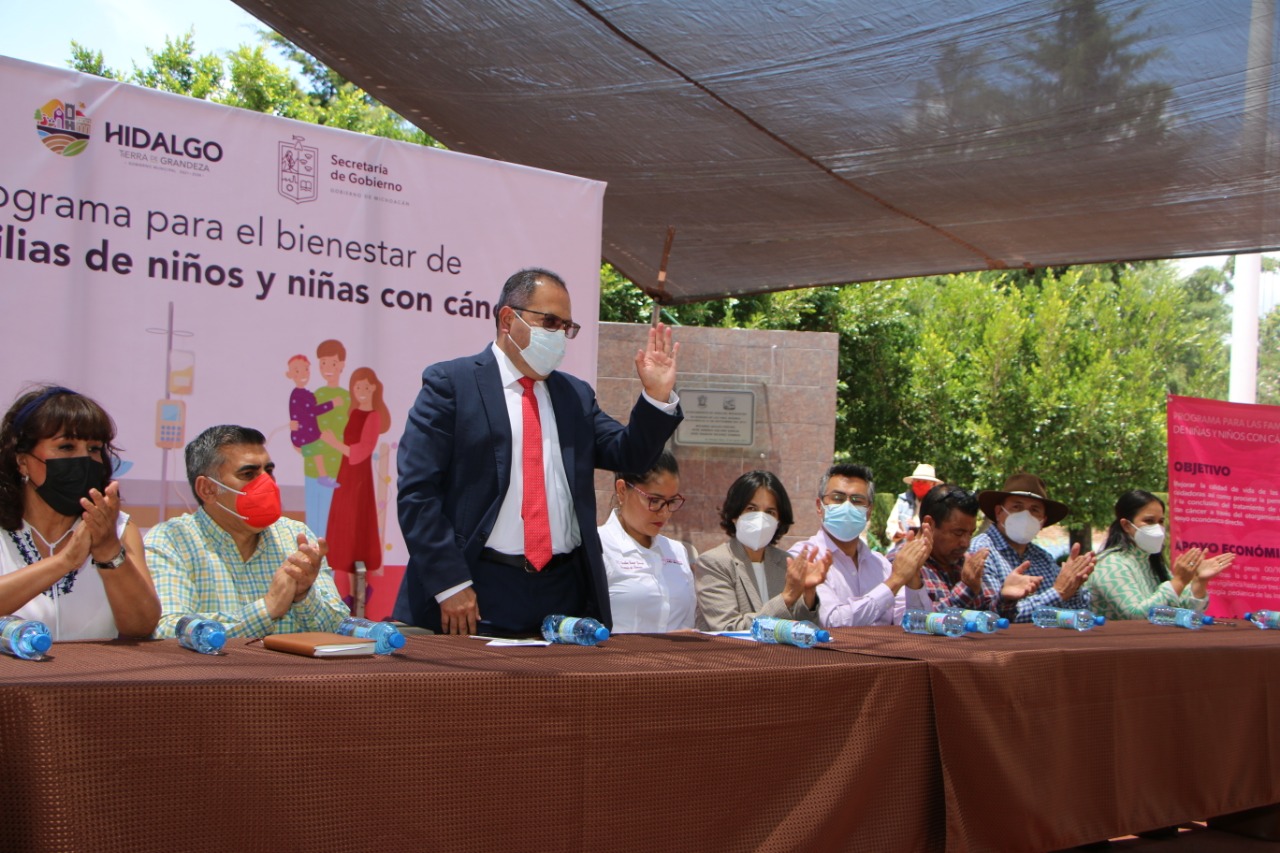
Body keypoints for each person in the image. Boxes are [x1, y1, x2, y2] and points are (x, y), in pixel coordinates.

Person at [393, 267, 682, 635]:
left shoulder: (574, 396)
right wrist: (451, 583)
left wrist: (656, 397)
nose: (559, 335)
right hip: (475, 589)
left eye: (566, 327)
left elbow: (630, 456)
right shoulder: (451, 384)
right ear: (507, 319)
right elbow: (418, 493)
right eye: (549, 321)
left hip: (563, 594)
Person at [145, 424, 348, 639]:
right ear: (208, 489)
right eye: (249, 474)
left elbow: (340, 628)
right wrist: (266, 610)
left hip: (291, 673)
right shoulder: (172, 540)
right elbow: (167, 630)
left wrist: (304, 595)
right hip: (214, 673)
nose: (267, 483)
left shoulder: (296, 535)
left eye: (269, 471)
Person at [0, 386, 160, 639]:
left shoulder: (120, 529)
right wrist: (64, 562)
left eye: (94, 449)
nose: (83, 459)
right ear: (22, 461)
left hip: (95, 677)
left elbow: (141, 627)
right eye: (66, 447)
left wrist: (109, 551)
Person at [792, 463, 931, 626]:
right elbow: (832, 622)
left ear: (869, 511)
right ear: (819, 506)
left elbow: (916, 624)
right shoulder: (803, 558)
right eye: (838, 498)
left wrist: (912, 575)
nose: (847, 506)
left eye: (857, 501)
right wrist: (894, 582)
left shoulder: (881, 565)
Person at [695, 470, 832, 631]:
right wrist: (786, 597)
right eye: (751, 509)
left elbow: (805, 629)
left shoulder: (785, 562)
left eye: (770, 512)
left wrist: (808, 594)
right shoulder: (714, 562)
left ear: (779, 521)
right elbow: (729, 628)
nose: (760, 518)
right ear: (735, 514)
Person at [1085, 489, 1234, 620]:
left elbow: (1183, 613)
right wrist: (1179, 581)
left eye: (1160, 521)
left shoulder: (1150, 560)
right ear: (1126, 525)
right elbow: (1136, 616)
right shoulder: (1111, 564)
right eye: (1149, 521)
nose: (1157, 528)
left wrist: (1199, 582)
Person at [971, 473, 1096, 623]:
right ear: (999, 512)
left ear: (1042, 521)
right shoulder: (981, 551)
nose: (1026, 515)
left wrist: (1073, 587)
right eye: (1017, 507)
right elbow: (993, 617)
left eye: (1035, 510)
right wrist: (1058, 593)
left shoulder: (1043, 558)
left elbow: (1079, 613)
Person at [597, 451, 694, 633]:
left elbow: (687, 624)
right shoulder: (597, 548)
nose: (664, 513)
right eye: (654, 500)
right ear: (622, 490)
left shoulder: (677, 551)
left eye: (671, 501)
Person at [911, 483, 1041, 612]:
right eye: (958, 533)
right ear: (929, 525)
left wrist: (1005, 598)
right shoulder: (906, 565)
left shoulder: (965, 563)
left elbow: (989, 618)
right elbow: (919, 620)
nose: (966, 543)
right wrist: (966, 588)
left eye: (970, 534)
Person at [321, 366, 391, 574]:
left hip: (359, 475)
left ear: (374, 389)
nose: (361, 390)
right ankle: (338, 568)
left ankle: (357, 579)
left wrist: (333, 442)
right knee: (343, 520)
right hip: (346, 473)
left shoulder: (374, 416)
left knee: (356, 520)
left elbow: (361, 452)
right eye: (357, 386)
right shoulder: (354, 412)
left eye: (366, 386)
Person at [285, 354, 341, 488]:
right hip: (304, 436)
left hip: (309, 433)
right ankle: (323, 476)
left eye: (306, 369)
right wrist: (332, 404)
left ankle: (323, 476)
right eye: (297, 371)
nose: (303, 374)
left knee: (322, 449)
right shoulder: (298, 395)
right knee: (320, 451)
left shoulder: (304, 393)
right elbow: (312, 412)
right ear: (290, 374)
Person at [885, 462, 943, 544]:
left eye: (924, 482)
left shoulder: (938, 504)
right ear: (912, 483)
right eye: (917, 481)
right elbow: (891, 524)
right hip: (902, 546)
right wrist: (896, 533)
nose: (920, 485)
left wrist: (918, 526)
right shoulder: (903, 500)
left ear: (933, 484)